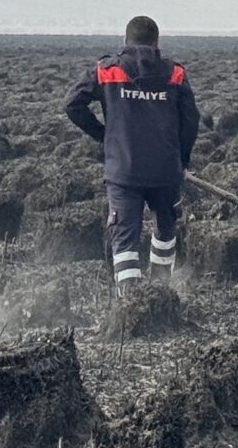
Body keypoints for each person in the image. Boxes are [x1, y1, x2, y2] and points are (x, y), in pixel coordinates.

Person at [63, 15, 200, 289]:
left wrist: (104, 136)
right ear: (157, 42)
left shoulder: (107, 70)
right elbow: (191, 120)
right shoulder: (175, 74)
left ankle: (131, 302)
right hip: (165, 171)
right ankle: (161, 290)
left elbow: (72, 104)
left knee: (125, 240)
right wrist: (181, 160)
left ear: (125, 41)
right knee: (165, 230)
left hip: (123, 172)